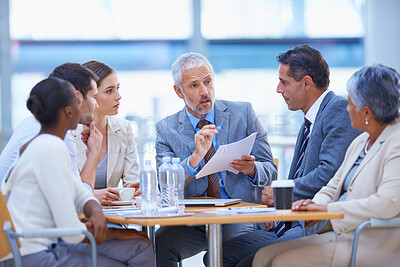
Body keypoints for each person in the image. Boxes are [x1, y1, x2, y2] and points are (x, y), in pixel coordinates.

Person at [222, 44, 361, 266]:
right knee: (218, 255)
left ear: (306, 83)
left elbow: (329, 172)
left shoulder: (337, 109)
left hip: (311, 225)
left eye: (284, 82)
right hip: (287, 220)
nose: (278, 89)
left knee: (245, 262)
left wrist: (281, 195)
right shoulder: (310, 118)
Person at [253, 64, 400, 267]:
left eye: (350, 103)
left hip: (370, 241)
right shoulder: (361, 142)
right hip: (339, 232)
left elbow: (387, 203)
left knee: (281, 262)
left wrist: (327, 209)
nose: (346, 109)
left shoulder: (396, 143)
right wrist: (313, 207)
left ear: (366, 112)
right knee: (262, 257)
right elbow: (332, 186)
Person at [0, 77, 154, 266]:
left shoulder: (46, 142)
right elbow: (71, 232)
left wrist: (95, 211)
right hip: (39, 253)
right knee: (136, 247)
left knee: (139, 246)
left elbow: (78, 192)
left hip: (46, 244)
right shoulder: (51, 147)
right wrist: (122, 233)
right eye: (81, 102)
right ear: (69, 111)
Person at [154, 52, 277, 266]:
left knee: (224, 255)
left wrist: (252, 169)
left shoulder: (243, 113)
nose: (205, 91)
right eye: (194, 86)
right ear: (178, 91)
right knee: (160, 244)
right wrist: (194, 159)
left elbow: (270, 170)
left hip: (237, 213)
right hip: (194, 220)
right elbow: (163, 184)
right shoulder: (166, 129)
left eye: (208, 82)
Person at [0, 63, 102, 191]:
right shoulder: (57, 134)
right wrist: (94, 154)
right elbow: (77, 201)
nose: (96, 105)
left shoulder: (30, 123)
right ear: (77, 98)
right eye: (94, 97)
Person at [73, 60, 140, 204]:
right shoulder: (68, 133)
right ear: (91, 95)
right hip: (78, 217)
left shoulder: (124, 129)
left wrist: (135, 190)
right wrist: (92, 195)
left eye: (118, 88)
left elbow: (132, 181)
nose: (118, 96)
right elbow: (63, 190)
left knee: (131, 229)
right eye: (109, 91)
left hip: (114, 215)